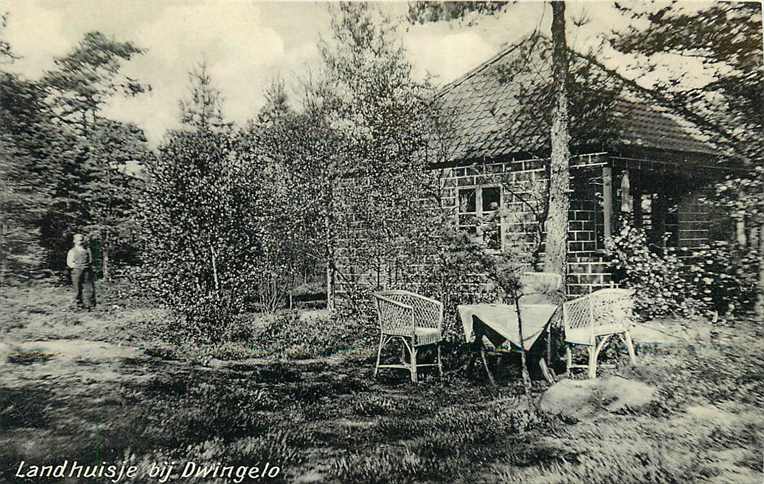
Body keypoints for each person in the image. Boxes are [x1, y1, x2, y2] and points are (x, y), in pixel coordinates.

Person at [67, 234, 96, 310]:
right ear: (74, 241)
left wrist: (87, 267)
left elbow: (90, 260)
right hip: (77, 271)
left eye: (81, 240)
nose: (80, 241)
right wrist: (77, 267)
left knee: (89, 288)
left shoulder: (87, 250)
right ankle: (78, 305)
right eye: (78, 240)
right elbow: (69, 263)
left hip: (87, 271)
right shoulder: (72, 251)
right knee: (77, 288)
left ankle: (90, 305)